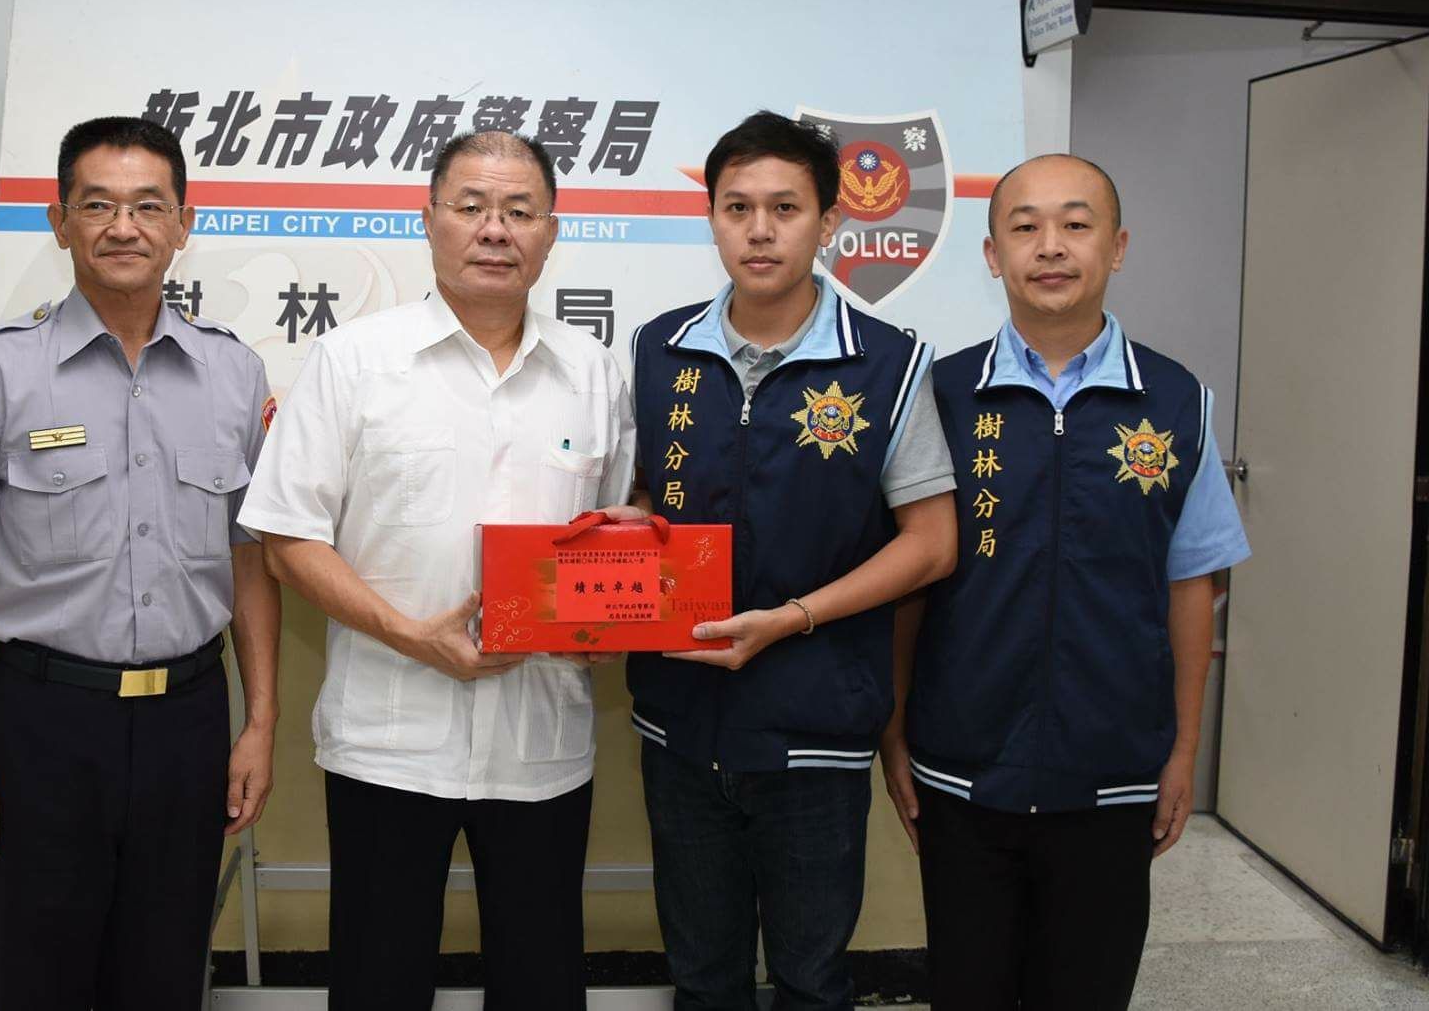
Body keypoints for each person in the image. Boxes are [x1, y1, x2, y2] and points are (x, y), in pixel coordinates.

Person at [239, 129, 637, 1011]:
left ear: (551, 232)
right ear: (429, 220)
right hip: (390, 743)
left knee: (542, 986)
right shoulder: (353, 360)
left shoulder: (594, 374)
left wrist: (608, 621)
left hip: (542, 744)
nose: (495, 229)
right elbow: (287, 540)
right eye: (471, 206)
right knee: (377, 985)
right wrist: (412, 635)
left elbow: (606, 538)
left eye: (520, 211)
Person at [0, 116, 282, 1010]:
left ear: (183, 224)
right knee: (39, 979)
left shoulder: (234, 374)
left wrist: (259, 722)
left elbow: (251, 565)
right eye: (98, 205)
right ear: (59, 221)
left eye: (148, 206)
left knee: (165, 977)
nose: (124, 227)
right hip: (40, 724)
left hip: (188, 722)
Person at [881, 153, 1250, 1011]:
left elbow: (1191, 585)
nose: (1051, 246)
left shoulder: (1176, 400)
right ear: (992, 254)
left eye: (1076, 225)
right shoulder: (938, 395)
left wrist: (1183, 752)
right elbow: (910, 586)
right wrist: (896, 735)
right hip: (963, 770)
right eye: (1025, 227)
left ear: (1116, 247)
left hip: (1112, 772)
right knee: (969, 989)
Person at [624, 111, 959, 1010]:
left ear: (829, 222)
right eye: (737, 207)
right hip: (680, 721)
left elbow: (932, 543)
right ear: (712, 219)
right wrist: (629, 528)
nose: (760, 230)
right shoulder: (659, 348)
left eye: (785, 208)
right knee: (702, 978)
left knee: (811, 979)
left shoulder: (888, 364)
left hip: (816, 725)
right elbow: (654, 492)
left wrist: (793, 619)